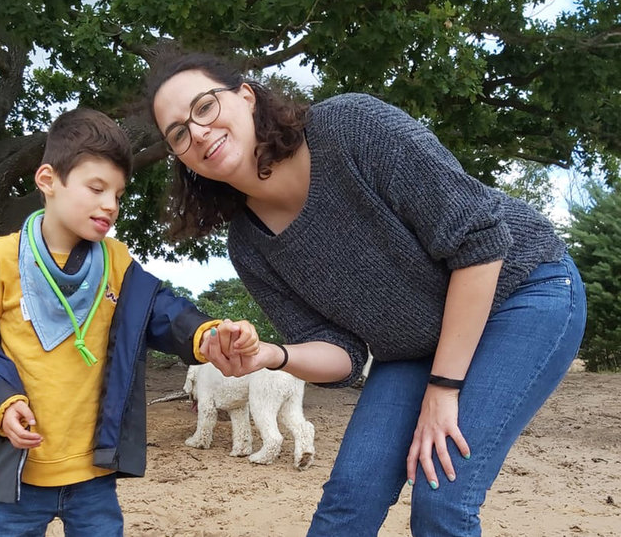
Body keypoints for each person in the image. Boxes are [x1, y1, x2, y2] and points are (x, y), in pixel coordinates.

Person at [147, 52, 587, 536]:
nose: (199, 132)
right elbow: (343, 355)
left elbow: (480, 241)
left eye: (205, 107)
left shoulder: (351, 125)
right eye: (179, 134)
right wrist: (271, 355)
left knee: (442, 501)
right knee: (346, 507)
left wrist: (443, 391)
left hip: (520, 288)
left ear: (246, 96)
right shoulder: (248, 246)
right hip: (416, 344)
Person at [0, 107, 259, 537]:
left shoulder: (116, 260)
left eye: (118, 194)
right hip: (21, 475)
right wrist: (2, 403)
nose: (109, 205)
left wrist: (208, 333)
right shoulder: (2, 257)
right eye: (96, 188)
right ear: (48, 180)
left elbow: (160, 311)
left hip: (94, 472)